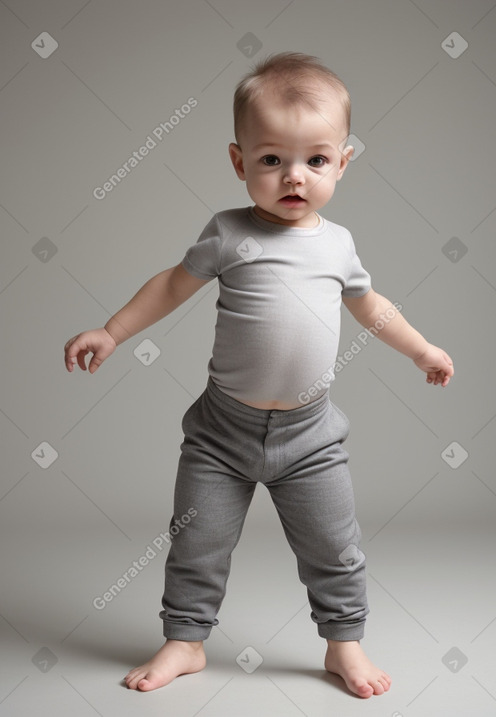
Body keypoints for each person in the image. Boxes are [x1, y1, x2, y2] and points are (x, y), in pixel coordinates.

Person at [64, 51, 454, 699]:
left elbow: (373, 307)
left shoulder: (337, 244)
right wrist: (112, 330)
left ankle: (343, 642)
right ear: (239, 162)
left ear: (343, 163)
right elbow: (170, 285)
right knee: (198, 542)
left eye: (315, 160)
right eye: (271, 159)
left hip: (312, 436)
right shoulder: (228, 233)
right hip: (222, 431)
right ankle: (186, 641)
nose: (293, 176)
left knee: (335, 547)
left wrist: (421, 350)